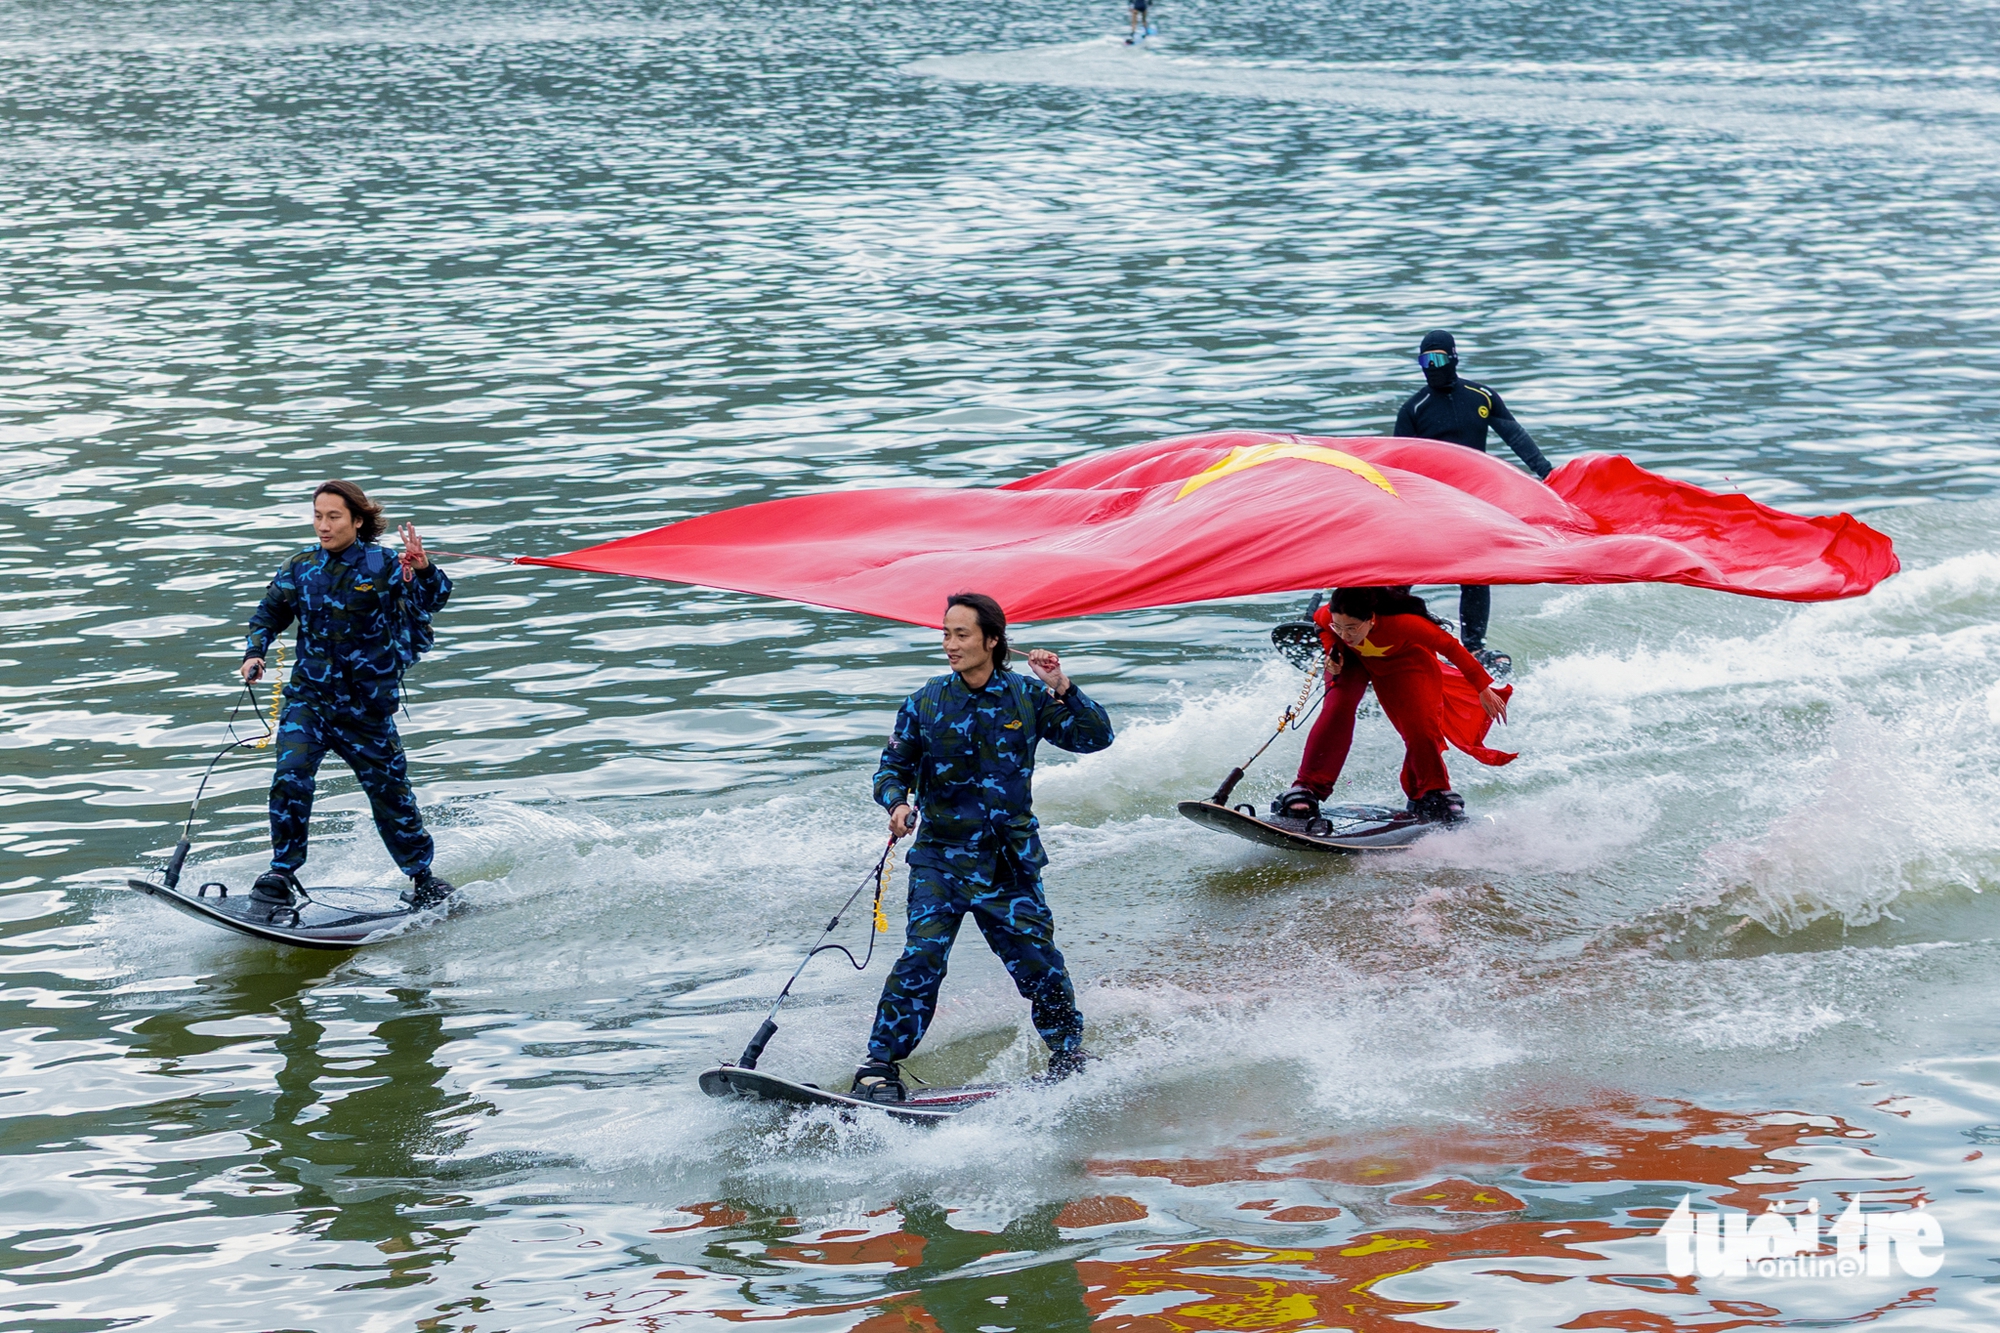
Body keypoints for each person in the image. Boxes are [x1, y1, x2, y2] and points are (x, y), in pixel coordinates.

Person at [855, 592, 1115, 1103]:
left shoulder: (1027, 697)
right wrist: (896, 803)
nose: (949, 644)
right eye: (945, 634)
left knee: (1039, 964)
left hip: (1009, 863)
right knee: (921, 956)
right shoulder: (927, 701)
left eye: (961, 634)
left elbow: (1095, 737)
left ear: (992, 640)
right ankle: (879, 1066)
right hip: (940, 860)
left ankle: (1067, 1055)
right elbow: (892, 768)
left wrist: (1062, 686)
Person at [240, 481, 453, 919]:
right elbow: (269, 612)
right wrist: (255, 653)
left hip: (367, 709)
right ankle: (281, 875)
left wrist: (425, 567)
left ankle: (422, 878)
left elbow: (433, 601)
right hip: (309, 702)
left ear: (357, 520)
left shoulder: (384, 564)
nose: (323, 525)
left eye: (333, 517)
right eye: (318, 515)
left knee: (391, 796)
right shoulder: (300, 567)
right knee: (290, 777)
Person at [1271, 586, 1512, 826]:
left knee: (1421, 725)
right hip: (1352, 659)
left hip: (1404, 659)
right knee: (1337, 710)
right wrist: (1332, 650)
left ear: (1371, 619)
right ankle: (1307, 788)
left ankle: (1430, 791)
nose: (1345, 633)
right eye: (1339, 627)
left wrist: (1483, 688)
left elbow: (1451, 647)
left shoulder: (1404, 623)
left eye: (1352, 628)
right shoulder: (1332, 620)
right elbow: (1322, 625)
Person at [1393, 329, 1554, 670]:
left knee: (1476, 572)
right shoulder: (1414, 409)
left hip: (1472, 503)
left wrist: (1550, 476)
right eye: (1425, 361)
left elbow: (1516, 438)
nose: (1432, 367)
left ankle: (1475, 647)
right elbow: (1398, 465)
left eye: (1438, 359)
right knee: (1403, 566)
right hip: (1430, 503)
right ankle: (1382, 632)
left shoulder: (1480, 396)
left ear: (1454, 357)